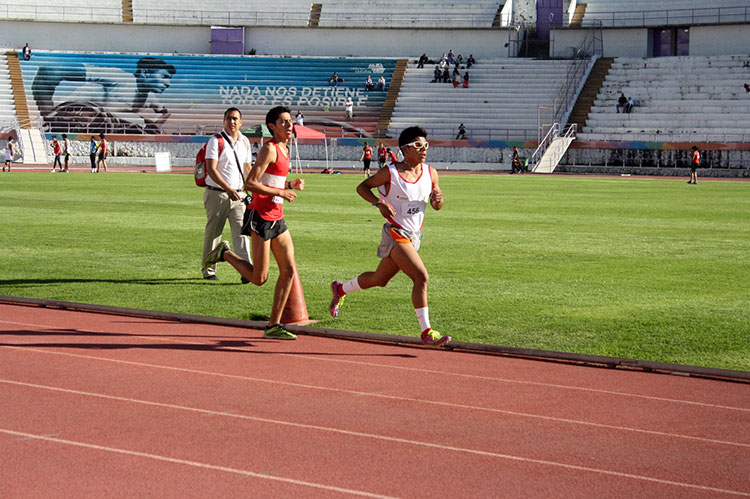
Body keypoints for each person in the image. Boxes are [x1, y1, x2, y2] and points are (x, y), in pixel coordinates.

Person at [329, 126, 451, 347]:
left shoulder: (431, 172)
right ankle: (427, 332)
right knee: (421, 277)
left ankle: (340, 288)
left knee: (379, 280)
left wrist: (438, 199)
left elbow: (437, 205)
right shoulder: (390, 172)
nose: (424, 149)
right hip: (395, 233)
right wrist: (378, 203)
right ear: (405, 149)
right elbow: (362, 187)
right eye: (418, 146)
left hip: (415, 236)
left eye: (426, 145)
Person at [203, 105, 305, 340]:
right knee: (259, 278)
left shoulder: (285, 148)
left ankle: (273, 325)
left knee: (289, 271)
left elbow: (272, 180)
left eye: (290, 121)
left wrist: (289, 185)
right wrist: (281, 193)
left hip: (277, 217)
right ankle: (225, 253)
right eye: (283, 122)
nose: (289, 125)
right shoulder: (270, 149)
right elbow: (250, 183)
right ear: (272, 126)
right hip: (262, 217)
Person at [32, 56, 176, 134]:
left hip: (101, 124)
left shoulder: (150, 97)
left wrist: (154, 124)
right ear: (145, 72)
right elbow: (48, 71)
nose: (168, 83)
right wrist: (48, 113)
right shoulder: (119, 78)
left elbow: (164, 112)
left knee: (139, 126)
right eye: (164, 76)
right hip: (75, 113)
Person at [201, 107, 252, 281]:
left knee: (243, 234)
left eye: (235, 118)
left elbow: (247, 169)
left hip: (239, 195)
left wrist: (250, 188)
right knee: (214, 233)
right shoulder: (216, 141)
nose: (232, 122)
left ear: (241, 122)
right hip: (218, 194)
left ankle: (246, 270)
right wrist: (228, 189)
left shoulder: (245, 141)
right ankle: (209, 270)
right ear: (224, 121)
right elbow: (211, 169)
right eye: (229, 118)